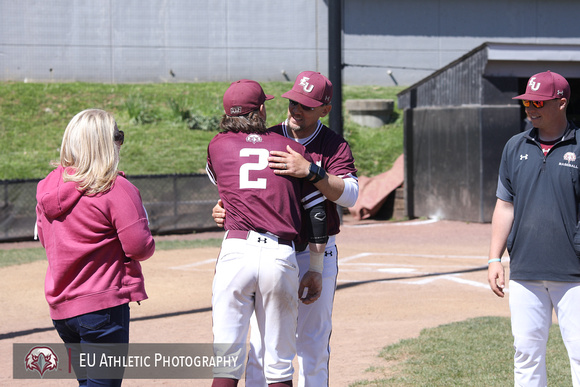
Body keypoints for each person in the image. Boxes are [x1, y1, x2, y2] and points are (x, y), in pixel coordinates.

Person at [212, 71, 358, 387]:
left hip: (315, 252)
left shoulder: (333, 145)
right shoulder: (270, 135)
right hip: (279, 252)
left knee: (312, 345)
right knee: (262, 346)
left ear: (324, 108)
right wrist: (224, 206)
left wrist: (311, 172)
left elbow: (350, 195)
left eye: (306, 105)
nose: (295, 110)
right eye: (293, 101)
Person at [35, 108, 155, 386]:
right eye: (117, 136)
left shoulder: (46, 188)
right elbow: (139, 247)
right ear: (104, 143)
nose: (119, 142)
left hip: (63, 309)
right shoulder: (115, 187)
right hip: (102, 306)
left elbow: (45, 240)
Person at [488, 70, 580, 387]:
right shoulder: (515, 146)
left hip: (574, 274)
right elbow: (505, 205)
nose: (530, 107)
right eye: (527, 100)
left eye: (539, 102)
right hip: (526, 270)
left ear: (561, 103)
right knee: (525, 354)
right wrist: (494, 258)